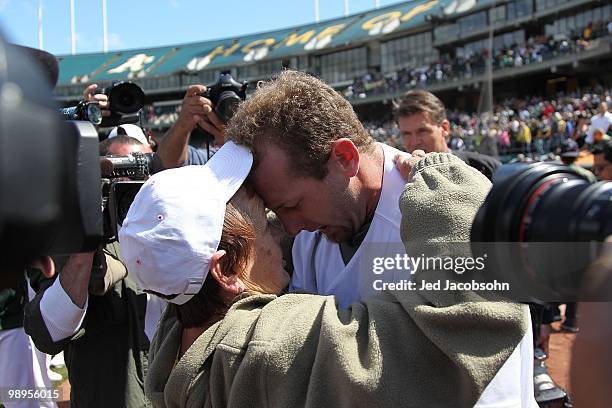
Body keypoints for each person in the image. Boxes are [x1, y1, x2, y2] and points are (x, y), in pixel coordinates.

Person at [119, 141, 530, 408]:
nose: (287, 232)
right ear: (226, 269)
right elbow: (469, 322)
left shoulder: (173, 343)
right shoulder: (267, 349)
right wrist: (446, 184)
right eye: (266, 223)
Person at [226, 71, 535, 406]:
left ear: (345, 158)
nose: (289, 226)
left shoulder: (450, 210)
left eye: (292, 205)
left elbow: (489, 371)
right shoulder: (310, 238)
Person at [24, 136, 154, 408]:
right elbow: (47, 333)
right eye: (121, 176)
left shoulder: (167, 231)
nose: (134, 187)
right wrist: (86, 240)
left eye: (142, 175)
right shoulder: (65, 242)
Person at [395, 89, 501, 180]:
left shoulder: (486, 169)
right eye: (406, 134)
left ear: (444, 128)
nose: (414, 142)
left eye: (422, 131)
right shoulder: (393, 180)